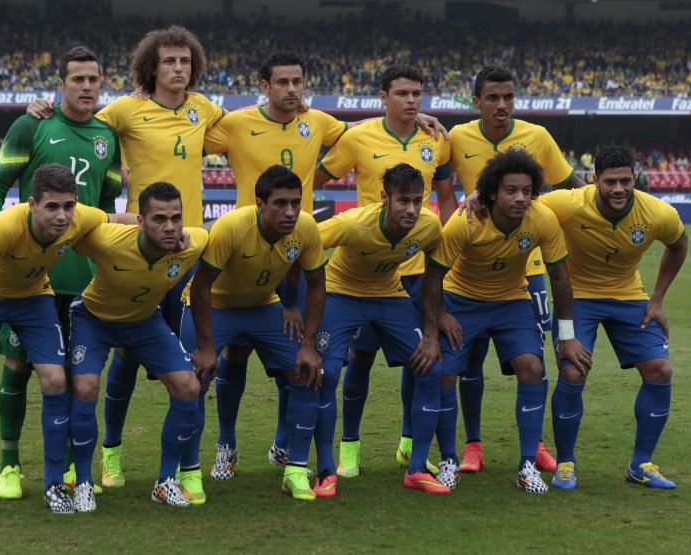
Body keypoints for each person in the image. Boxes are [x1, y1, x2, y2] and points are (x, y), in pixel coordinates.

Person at [201, 52, 447, 476]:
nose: (292, 89)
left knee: (297, 357)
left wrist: (414, 113)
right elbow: (189, 139)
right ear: (265, 85)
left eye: (298, 81)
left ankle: (283, 441)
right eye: (283, 82)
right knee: (235, 356)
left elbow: (365, 132)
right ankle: (227, 443)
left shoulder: (316, 122)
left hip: (295, 253)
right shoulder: (238, 122)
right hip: (242, 249)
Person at [27, 27, 224, 488]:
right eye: (170, 62)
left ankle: (187, 467)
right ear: (151, 68)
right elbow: (81, 122)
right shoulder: (125, 109)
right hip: (138, 249)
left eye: (185, 62)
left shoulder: (204, 109)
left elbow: (257, 124)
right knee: (129, 361)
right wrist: (43, 109)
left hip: (188, 252)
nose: (179, 69)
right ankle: (111, 453)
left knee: (194, 365)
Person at [0, 164, 130, 519]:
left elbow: (117, 220)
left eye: (69, 206)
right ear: (32, 204)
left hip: (34, 299)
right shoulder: (4, 227)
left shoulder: (77, 218)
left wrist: (166, 229)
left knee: (57, 379)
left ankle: (54, 485)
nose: (62, 216)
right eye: (52, 207)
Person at [0, 46, 122, 501]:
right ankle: (9, 464)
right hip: (30, 279)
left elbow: (108, 208)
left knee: (77, 376)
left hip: (84, 280)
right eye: (76, 79)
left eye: (93, 79)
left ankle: (64, 471)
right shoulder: (32, 125)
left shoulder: (107, 136)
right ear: (59, 85)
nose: (86, 87)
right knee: (19, 367)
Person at [410, 150, 591, 494]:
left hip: (511, 300)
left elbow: (561, 280)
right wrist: (435, 327)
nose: (520, 197)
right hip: (462, 299)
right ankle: (449, 459)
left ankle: (526, 465)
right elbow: (433, 276)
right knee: (446, 372)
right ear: (492, 192)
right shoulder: (466, 221)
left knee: (532, 367)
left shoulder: (541, 219)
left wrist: (566, 336)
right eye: (511, 190)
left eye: (526, 190)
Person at [312, 64, 457, 475]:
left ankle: (409, 445)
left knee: (422, 360)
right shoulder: (359, 137)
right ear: (383, 96)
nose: (412, 101)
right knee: (360, 358)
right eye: (402, 94)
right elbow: (315, 178)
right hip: (363, 266)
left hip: (415, 269)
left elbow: (446, 199)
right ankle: (351, 448)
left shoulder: (436, 140)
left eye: (417, 94)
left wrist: (443, 249)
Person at [448, 65, 586, 473]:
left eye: (508, 97)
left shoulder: (537, 137)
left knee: (533, 360)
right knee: (469, 363)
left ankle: (536, 444)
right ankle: (473, 445)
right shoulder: (457, 137)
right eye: (493, 97)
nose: (502, 105)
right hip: (471, 267)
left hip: (529, 268)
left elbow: (572, 184)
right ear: (477, 102)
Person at [536, 145, 688, 490]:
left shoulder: (657, 213)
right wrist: (477, 199)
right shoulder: (570, 202)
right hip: (577, 298)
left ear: (635, 178)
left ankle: (641, 464)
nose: (618, 189)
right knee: (573, 371)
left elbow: (679, 244)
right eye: (610, 182)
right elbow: (524, 210)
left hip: (628, 295)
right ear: (594, 181)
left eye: (625, 181)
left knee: (660, 370)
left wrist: (658, 299)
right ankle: (566, 463)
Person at [183, 165, 328, 501]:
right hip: (215, 306)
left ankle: (293, 468)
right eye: (280, 203)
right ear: (260, 203)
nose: (290, 211)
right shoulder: (233, 226)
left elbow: (316, 284)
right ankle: (193, 467)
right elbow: (201, 286)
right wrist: (206, 346)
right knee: (192, 381)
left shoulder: (305, 227)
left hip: (263, 306)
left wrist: (307, 342)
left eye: (296, 202)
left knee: (307, 371)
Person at [67, 182, 208, 511]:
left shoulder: (191, 244)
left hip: (144, 322)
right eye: (159, 219)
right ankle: (84, 481)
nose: (170, 226)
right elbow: (73, 221)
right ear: (141, 221)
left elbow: (215, 231)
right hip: (94, 319)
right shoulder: (107, 240)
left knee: (189, 386)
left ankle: (164, 481)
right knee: (86, 387)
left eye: (176, 218)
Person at [310, 163, 447, 497]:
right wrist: (295, 305)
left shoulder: (429, 227)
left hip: (389, 295)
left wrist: (431, 333)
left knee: (431, 367)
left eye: (417, 201)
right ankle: (328, 468)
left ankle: (416, 468)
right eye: (403, 201)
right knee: (327, 374)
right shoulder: (354, 223)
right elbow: (305, 244)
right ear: (385, 197)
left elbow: (434, 276)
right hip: (341, 293)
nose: (411, 209)